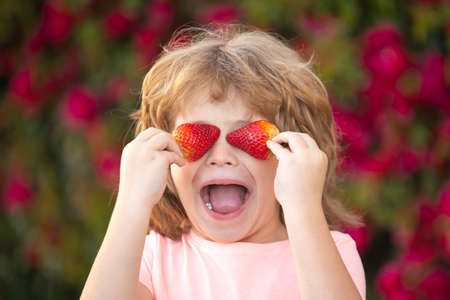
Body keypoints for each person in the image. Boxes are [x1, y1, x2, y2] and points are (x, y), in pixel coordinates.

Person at [80, 23, 366, 300]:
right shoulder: (152, 257)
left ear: (292, 158)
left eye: (248, 135)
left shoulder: (330, 253)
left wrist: (304, 209)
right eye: (195, 137)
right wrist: (132, 201)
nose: (221, 157)